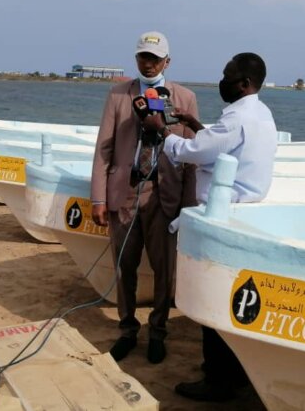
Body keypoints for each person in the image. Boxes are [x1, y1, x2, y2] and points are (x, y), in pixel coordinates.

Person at [142, 52, 277, 401]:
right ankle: (235, 372)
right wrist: (196, 124)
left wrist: (162, 131)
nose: (222, 81)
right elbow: (224, 148)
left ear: (244, 83)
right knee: (231, 300)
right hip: (245, 215)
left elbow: (192, 152)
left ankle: (217, 380)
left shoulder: (237, 118)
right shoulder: (260, 114)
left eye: (227, 76)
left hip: (223, 217)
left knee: (212, 297)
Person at [90, 31, 199, 364]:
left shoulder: (184, 98)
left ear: (167, 61)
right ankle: (127, 329)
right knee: (124, 266)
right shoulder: (118, 95)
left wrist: (188, 207)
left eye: (154, 58)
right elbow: (104, 148)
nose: (148, 64)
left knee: (165, 270)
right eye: (143, 57)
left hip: (165, 195)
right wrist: (98, 199)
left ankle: (157, 332)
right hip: (125, 192)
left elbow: (192, 156)